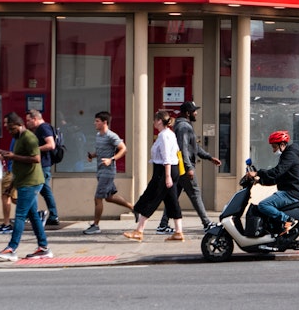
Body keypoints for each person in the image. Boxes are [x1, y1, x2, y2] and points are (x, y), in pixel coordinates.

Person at [0, 112, 52, 261]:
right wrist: (11, 185)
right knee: (33, 217)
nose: (10, 132)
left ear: (20, 125)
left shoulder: (29, 138)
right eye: (8, 129)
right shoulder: (18, 138)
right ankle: (43, 248)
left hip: (31, 182)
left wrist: (12, 156)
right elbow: (18, 163)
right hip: (23, 181)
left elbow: (36, 158)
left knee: (19, 216)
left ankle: (11, 249)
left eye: (12, 129)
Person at [156, 101, 221, 233]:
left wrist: (209, 157)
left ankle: (163, 225)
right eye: (194, 111)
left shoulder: (184, 125)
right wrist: (189, 167)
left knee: (173, 196)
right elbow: (183, 149)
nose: (196, 113)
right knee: (195, 194)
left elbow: (194, 148)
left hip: (180, 167)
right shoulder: (183, 127)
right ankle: (207, 223)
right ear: (187, 113)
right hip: (183, 168)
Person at [122, 110, 184, 242]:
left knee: (151, 197)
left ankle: (139, 231)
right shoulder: (169, 134)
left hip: (163, 170)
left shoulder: (163, 136)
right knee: (171, 200)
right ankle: (178, 232)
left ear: (160, 121)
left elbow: (167, 155)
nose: (153, 122)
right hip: (171, 169)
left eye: (155, 120)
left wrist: (167, 176)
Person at [83, 111, 133, 234]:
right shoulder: (98, 135)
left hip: (108, 171)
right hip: (100, 170)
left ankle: (95, 226)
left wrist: (111, 159)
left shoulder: (111, 136)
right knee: (109, 197)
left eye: (97, 121)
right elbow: (101, 151)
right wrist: (93, 155)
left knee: (98, 198)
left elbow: (124, 149)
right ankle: (134, 208)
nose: (95, 123)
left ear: (105, 122)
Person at [246, 130, 299, 235]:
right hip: (288, 191)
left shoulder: (289, 155)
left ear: (282, 144)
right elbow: (277, 177)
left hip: (290, 193)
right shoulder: (287, 155)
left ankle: (287, 219)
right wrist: (260, 181)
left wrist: (258, 172)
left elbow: (277, 171)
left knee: (263, 205)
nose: (273, 150)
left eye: (274, 147)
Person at [25, 108, 60, 226]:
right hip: (43, 164)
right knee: (44, 190)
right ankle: (53, 215)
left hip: (43, 165)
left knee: (35, 189)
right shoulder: (42, 128)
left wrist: (34, 150)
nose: (27, 123)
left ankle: (48, 215)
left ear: (35, 119)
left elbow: (51, 145)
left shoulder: (43, 128)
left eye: (29, 120)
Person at [0, 136, 17, 234]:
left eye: (8, 123)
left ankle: (6, 224)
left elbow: (15, 155)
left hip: (12, 171)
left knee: (6, 195)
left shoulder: (19, 138)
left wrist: (3, 155)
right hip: (13, 170)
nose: (6, 126)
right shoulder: (16, 137)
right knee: (14, 198)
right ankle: (36, 213)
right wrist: (3, 152)